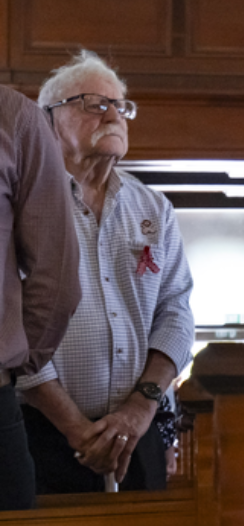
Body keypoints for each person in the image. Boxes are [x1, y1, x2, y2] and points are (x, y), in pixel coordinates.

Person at [17, 50, 195, 494]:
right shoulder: (18, 203)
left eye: (121, 106)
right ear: (48, 119)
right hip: (41, 434)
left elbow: (176, 311)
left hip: (139, 433)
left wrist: (140, 409)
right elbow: (9, 324)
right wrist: (75, 426)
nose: (114, 114)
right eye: (95, 103)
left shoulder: (154, 207)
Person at [0, 86, 82, 510]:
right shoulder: (15, 116)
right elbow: (58, 277)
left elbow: (57, 278)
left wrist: (18, 360)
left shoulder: (17, 117)